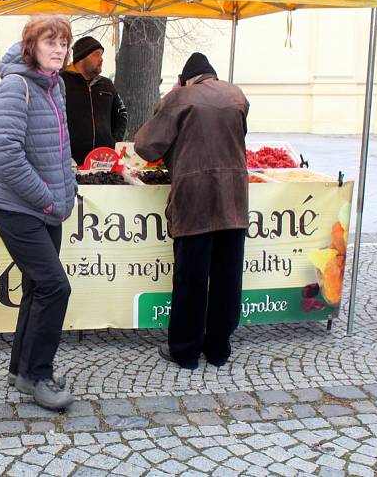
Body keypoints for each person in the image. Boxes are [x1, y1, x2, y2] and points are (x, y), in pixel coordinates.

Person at [134, 52, 250, 370]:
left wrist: (172, 97)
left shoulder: (180, 97)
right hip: (234, 201)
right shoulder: (236, 94)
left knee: (191, 279)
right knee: (227, 278)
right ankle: (218, 349)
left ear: (186, 78)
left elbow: (146, 146)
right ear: (211, 75)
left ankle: (185, 351)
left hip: (195, 199)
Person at [0, 16, 78, 410]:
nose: (58, 49)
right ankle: (39, 375)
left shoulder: (53, 86)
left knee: (38, 287)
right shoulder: (14, 86)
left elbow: (59, 148)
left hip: (47, 208)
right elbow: (5, 156)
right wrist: (48, 198)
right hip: (18, 208)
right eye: (50, 42)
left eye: (63, 43)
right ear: (31, 46)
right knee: (56, 286)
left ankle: (20, 370)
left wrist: (67, 188)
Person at [60, 36, 128, 165]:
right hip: (70, 162)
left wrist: (113, 141)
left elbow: (121, 113)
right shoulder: (61, 82)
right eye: (96, 54)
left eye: (102, 55)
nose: (101, 59)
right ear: (82, 58)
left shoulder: (107, 84)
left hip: (104, 162)